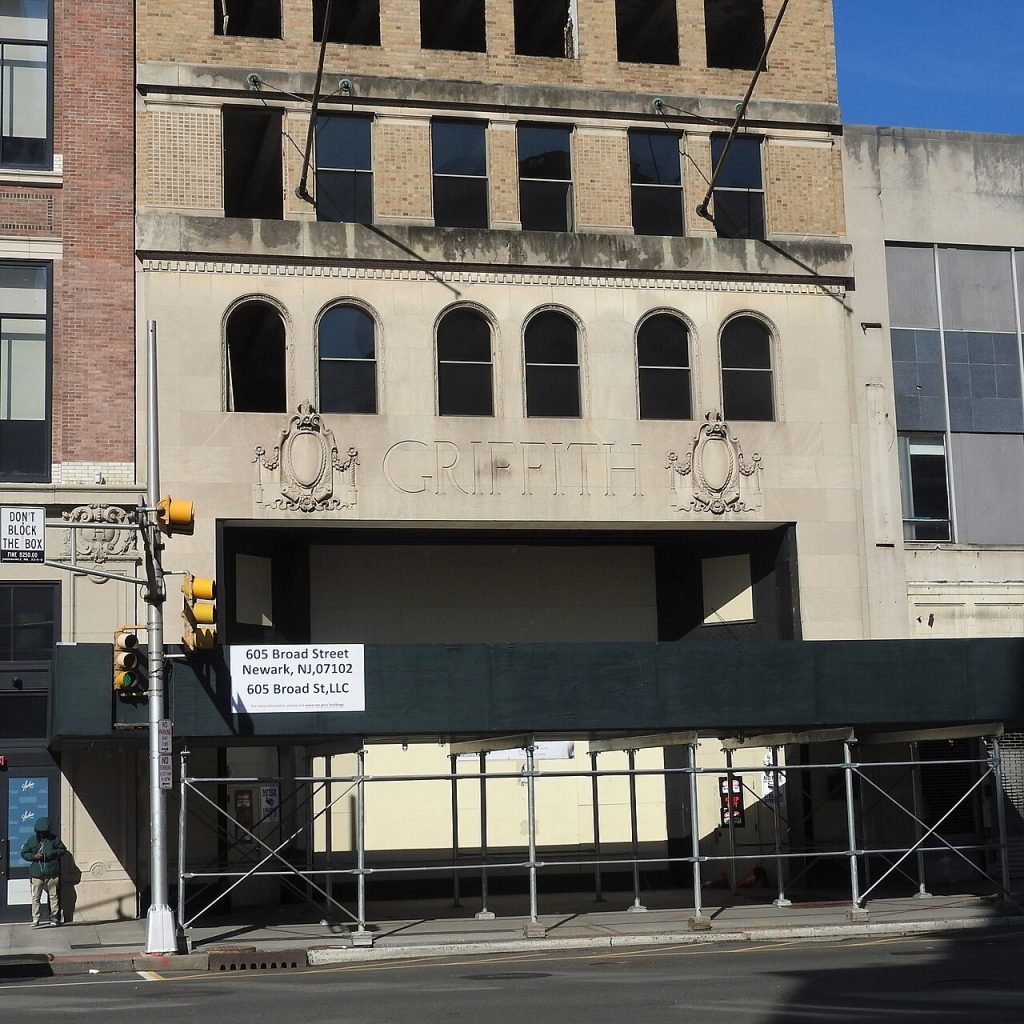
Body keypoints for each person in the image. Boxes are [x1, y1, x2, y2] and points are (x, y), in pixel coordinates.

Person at [21, 817, 67, 927]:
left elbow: (62, 850)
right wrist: (34, 856)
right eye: (40, 832)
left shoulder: (54, 839)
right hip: (37, 873)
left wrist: (49, 854)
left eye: (44, 832)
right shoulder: (32, 840)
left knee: (53, 896)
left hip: (51, 872)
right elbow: (24, 853)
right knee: (36, 896)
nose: (42, 834)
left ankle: (54, 917)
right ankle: (35, 918)